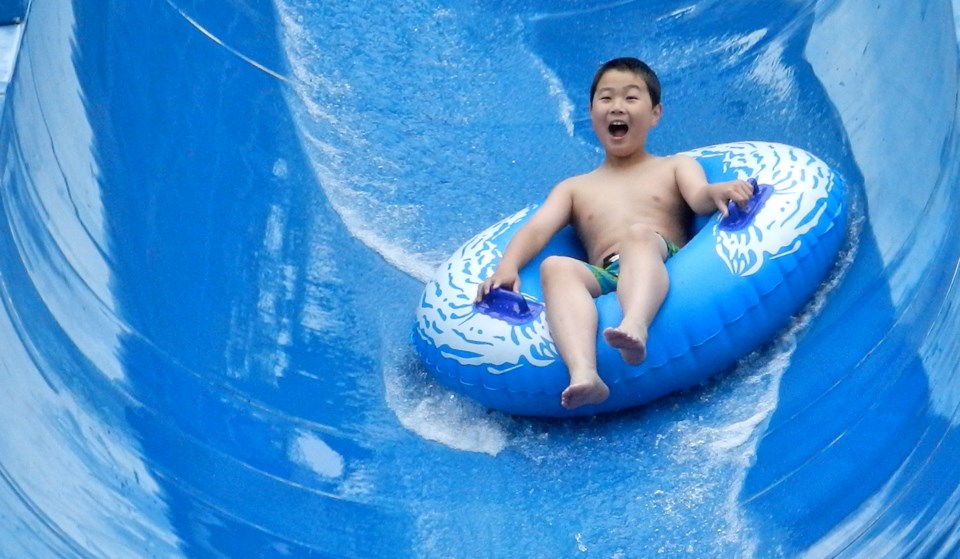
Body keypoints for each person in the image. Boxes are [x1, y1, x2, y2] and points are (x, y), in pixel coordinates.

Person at [475, 57, 754, 411]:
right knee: (555, 268)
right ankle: (585, 373)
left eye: (631, 98)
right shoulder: (575, 188)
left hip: (660, 256)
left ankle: (635, 324)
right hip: (607, 273)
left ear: (655, 113)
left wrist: (717, 192)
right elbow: (537, 229)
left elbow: (699, 198)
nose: (616, 107)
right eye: (606, 99)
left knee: (638, 235)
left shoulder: (674, 166)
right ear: (591, 112)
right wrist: (508, 268)